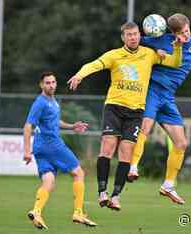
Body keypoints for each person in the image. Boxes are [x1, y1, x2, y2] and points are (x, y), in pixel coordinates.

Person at [67, 22, 182, 211]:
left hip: (136, 111)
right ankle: (102, 192)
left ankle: (115, 196)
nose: (133, 37)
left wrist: (177, 48)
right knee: (107, 148)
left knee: (127, 153)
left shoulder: (150, 54)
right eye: (129, 35)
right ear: (123, 38)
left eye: (136, 34)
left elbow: (175, 63)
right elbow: (94, 65)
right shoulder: (114, 55)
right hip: (114, 107)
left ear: (140, 35)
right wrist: (80, 75)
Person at [127, 13, 191, 205]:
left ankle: (168, 185)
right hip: (152, 92)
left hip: (168, 98)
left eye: (187, 31)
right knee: (145, 128)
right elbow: (137, 41)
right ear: (172, 33)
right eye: (180, 33)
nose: (185, 36)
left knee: (181, 143)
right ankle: (132, 167)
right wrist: (138, 37)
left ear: (189, 26)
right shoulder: (163, 40)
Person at [23, 72, 97, 229]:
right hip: (52, 144)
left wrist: (72, 126)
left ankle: (36, 211)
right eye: (47, 83)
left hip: (41, 148)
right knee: (79, 173)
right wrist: (26, 151)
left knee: (48, 181)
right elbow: (28, 126)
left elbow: (55, 121)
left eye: (53, 82)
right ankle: (78, 212)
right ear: (41, 85)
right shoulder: (40, 102)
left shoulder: (52, 101)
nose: (51, 85)